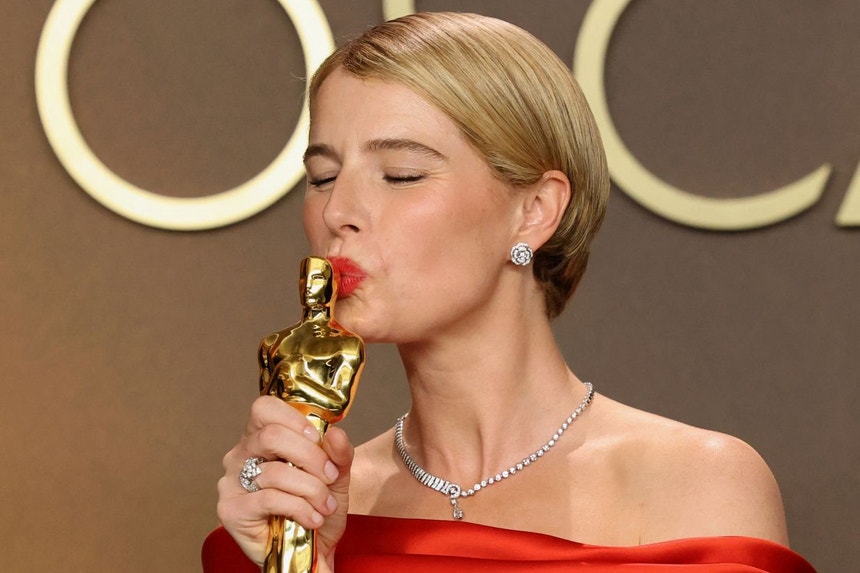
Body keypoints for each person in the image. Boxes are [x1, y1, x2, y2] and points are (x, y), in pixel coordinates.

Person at [203, 12, 816, 573]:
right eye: (323, 177)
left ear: (535, 210)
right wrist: (295, 560)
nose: (337, 211)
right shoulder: (309, 503)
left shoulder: (697, 484)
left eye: (401, 175)